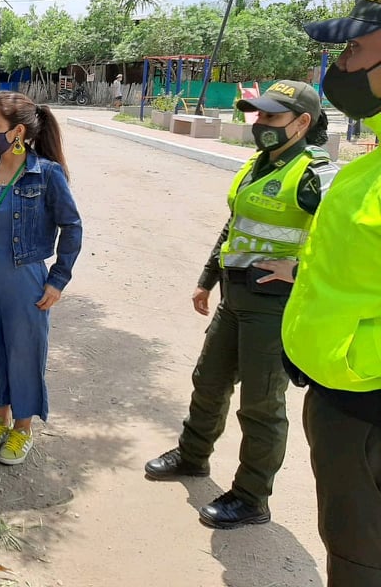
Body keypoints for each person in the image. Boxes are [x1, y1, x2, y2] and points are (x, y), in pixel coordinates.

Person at [144, 80, 337, 529]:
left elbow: (343, 241)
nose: (260, 125)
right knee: (207, 381)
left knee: (261, 404)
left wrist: (300, 268)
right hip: (235, 296)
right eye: (259, 115)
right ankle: (193, 457)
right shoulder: (259, 163)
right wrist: (207, 279)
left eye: (272, 117)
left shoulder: (314, 173)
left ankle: (252, 498)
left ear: (302, 122)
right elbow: (235, 225)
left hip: (274, 306)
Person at [283, 0, 381, 585]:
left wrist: (354, 360)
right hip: (344, 400)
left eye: (351, 52)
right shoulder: (370, 162)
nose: (338, 67)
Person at [0, 91, 82, 465]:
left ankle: (22, 429)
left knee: (23, 354)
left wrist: (57, 279)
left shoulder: (47, 174)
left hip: (23, 279)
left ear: (18, 131)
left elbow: (71, 227)